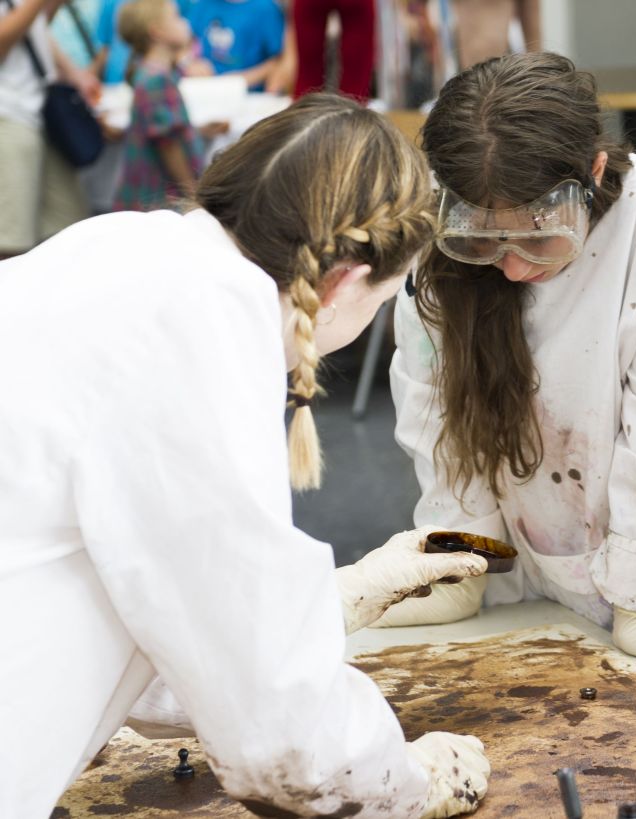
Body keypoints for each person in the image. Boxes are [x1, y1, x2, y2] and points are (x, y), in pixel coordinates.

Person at [0, 94, 492, 818]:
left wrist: (335, 597)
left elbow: (162, 600)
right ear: (346, 283)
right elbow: (279, 736)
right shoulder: (198, 327)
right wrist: (405, 784)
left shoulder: (118, 251)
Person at [382, 52, 636, 700]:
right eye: (484, 241)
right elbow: (440, 428)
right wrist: (463, 563)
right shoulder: (440, 258)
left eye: (540, 238)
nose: (512, 268)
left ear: (591, 173)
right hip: (538, 577)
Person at [0, 0, 94, 257]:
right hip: (8, 117)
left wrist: (75, 74)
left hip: (38, 116)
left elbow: (35, 30)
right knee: (10, 242)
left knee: (69, 228)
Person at [111, 0, 219, 210]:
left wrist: (198, 131)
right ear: (157, 32)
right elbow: (168, 144)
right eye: (176, 17)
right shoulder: (157, 79)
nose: (184, 22)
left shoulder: (152, 71)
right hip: (158, 200)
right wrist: (192, 194)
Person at [179, 0, 283, 88]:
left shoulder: (265, 9)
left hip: (248, 96)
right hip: (205, 88)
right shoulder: (204, 5)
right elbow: (183, 44)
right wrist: (190, 63)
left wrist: (242, 80)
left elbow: (278, 60)